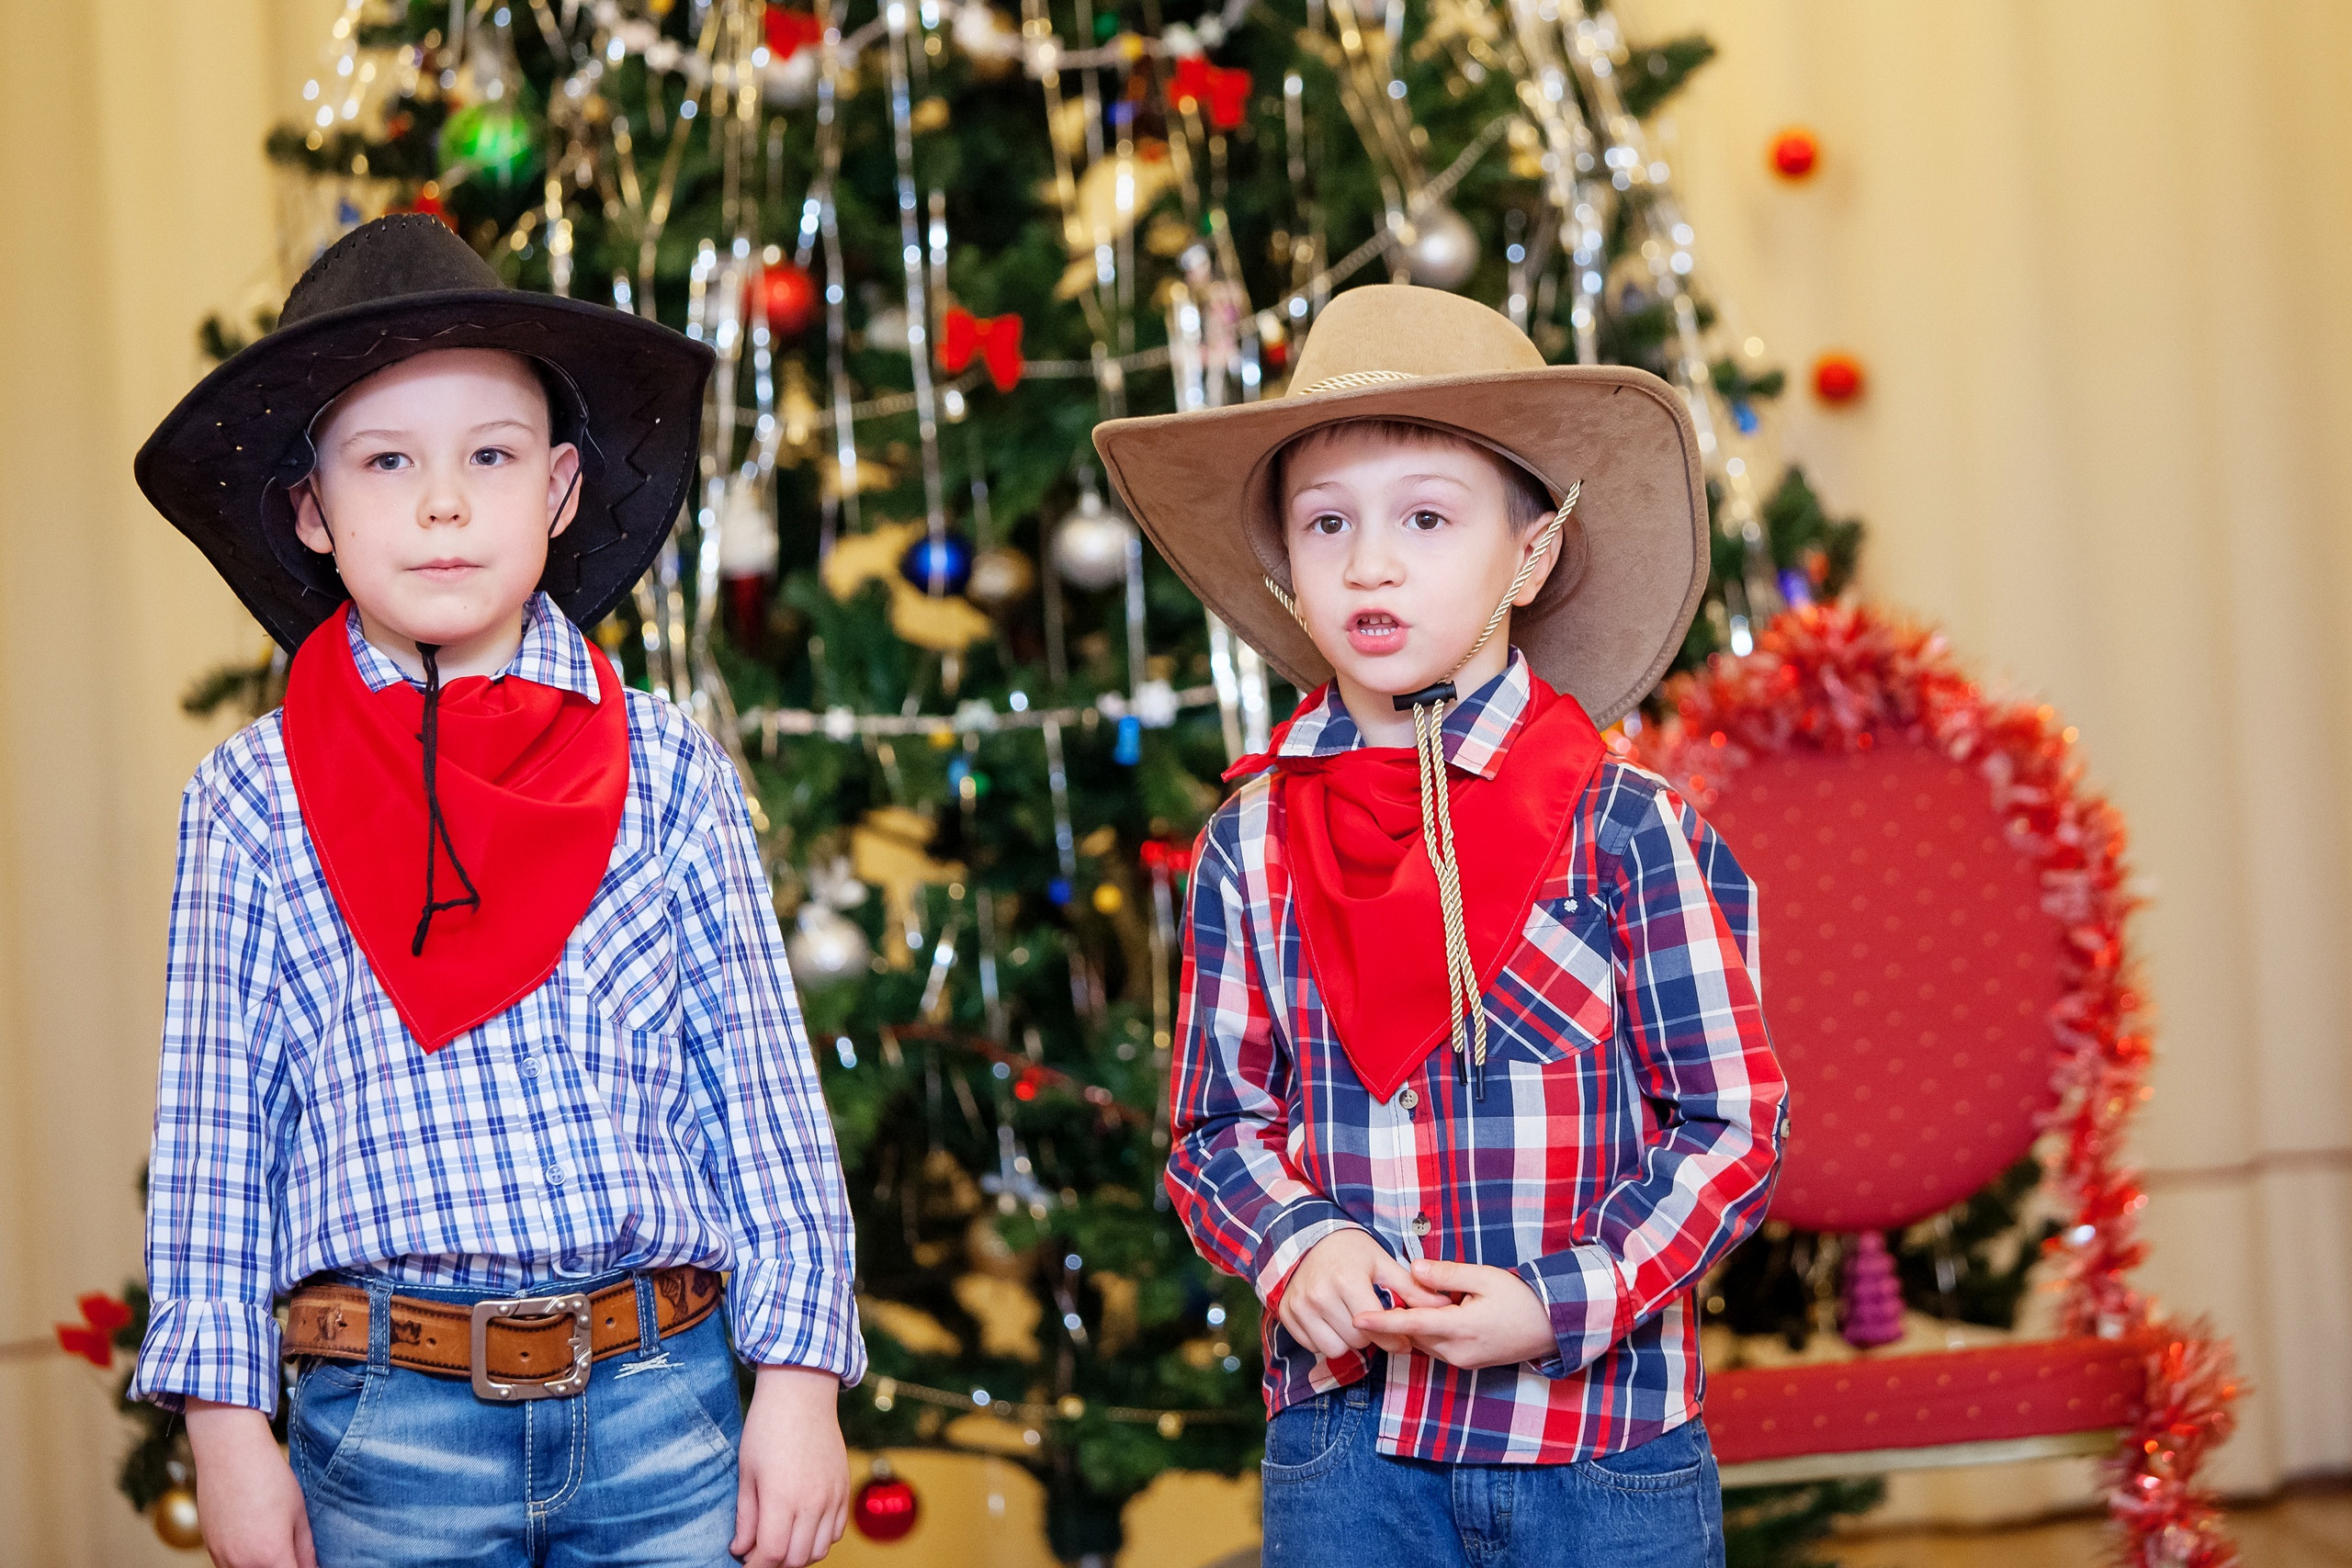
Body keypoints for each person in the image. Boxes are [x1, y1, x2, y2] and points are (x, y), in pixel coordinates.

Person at [129, 214, 863, 1568]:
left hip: (663, 1398)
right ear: (311, 508)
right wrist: (226, 1434)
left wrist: (802, 1384)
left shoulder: (664, 767)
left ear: (562, 489)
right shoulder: (250, 803)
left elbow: (758, 1091)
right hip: (388, 1421)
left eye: (491, 456)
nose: (445, 503)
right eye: (387, 461)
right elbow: (216, 1143)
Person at [1092, 285, 1787, 1568]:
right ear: (1287, 580)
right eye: (1326, 524)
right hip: (1351, 1456)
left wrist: (1555, 1300)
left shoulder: (1629, 830)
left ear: (1530, 555)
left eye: (1426, 517)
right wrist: (1299, 1243)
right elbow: (1211, 1129)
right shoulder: (1247, 848)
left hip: (1602, 1445)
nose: (1371, 563)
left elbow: (1731, 1128)